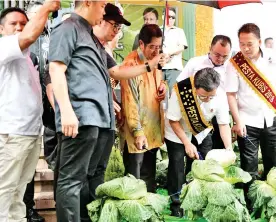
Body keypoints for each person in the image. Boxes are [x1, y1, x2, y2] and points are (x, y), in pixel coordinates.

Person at [48, 1, 164, 220]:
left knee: (94, 176)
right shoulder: (67, 28)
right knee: (72, 179)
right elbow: (56, 69)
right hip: (81, 117)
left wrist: (151, 65)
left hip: (101, 121)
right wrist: (66, 110)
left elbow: (117, 72)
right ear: (90, 3)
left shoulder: (93, 40)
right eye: (102, 6)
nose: (102, 13)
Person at [0, 1, 60, 221]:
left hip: (31, 133)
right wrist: (47, 7)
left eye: (23, 23)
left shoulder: (27, 57)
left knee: (18, 191)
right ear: (1, 28)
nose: (19, 27)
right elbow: (28, 37)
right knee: (4, 191)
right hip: (11, 134)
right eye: (13, 23)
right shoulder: (4, 47)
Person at [226, 23, 276, 184]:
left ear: (259, 42)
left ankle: (271, 204)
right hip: (247, 122)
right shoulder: (235, 63)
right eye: (242, 44)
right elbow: (231, 94)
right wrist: (237, 121)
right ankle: (251, 205)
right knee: (249, 169)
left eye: (250, 44)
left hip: (272, 119)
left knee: (273, 166)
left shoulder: (273, 57)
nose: (245, 48)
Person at [166, 68, 232, 217]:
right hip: (177, 132)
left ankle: (195, 199)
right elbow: (173, 121)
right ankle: (176, 203)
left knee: (201, 165)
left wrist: (229, 148)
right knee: (177, 166)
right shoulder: (181, 91)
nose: (208, 100)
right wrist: (187, 143)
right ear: (195, 88)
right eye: (203, 97)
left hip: (202, 131)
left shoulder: (220, 95)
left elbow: (223, 124)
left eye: (211, 97)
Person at [121, 24, 166, 193]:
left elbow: (157, 83)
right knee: (135, 178)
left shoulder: (156, 61)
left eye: (159, 47)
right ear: (141, 44)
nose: (156, 52)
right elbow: (130, 101)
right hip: (137, 131)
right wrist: (137, 131)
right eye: (152, 47)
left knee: (149, 177)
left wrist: (162, 87)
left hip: (153, 128)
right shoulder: (130, 65)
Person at [22, 1, 53, 221]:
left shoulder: (54, 38)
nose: (40, 18)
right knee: (27, 159)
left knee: (52, 157)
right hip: (28, 108)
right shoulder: (22, 42)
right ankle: (27, 207)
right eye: (35, 15)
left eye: (43, 14)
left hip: (50, 108)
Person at [176, 35, 232, 149]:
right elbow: (179, 85)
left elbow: (232, 94)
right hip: (195, 116)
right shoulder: (195, 63)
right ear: (210, 48)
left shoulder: (231, 68)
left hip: (219, 115)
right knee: (195, 150)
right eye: (217, 54)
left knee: (219, 150)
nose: (220, 59)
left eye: (225, 56)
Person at [162, 7, 188, 94]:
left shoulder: (179, 31)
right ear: (163, 16)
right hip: (159, 67)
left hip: (174, 68)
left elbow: (182, 47)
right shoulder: (157, 30)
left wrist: (169, 54)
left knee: (174, 95)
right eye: (169, 16)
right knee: (155, 95)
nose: (171, 19)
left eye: (173, 17)